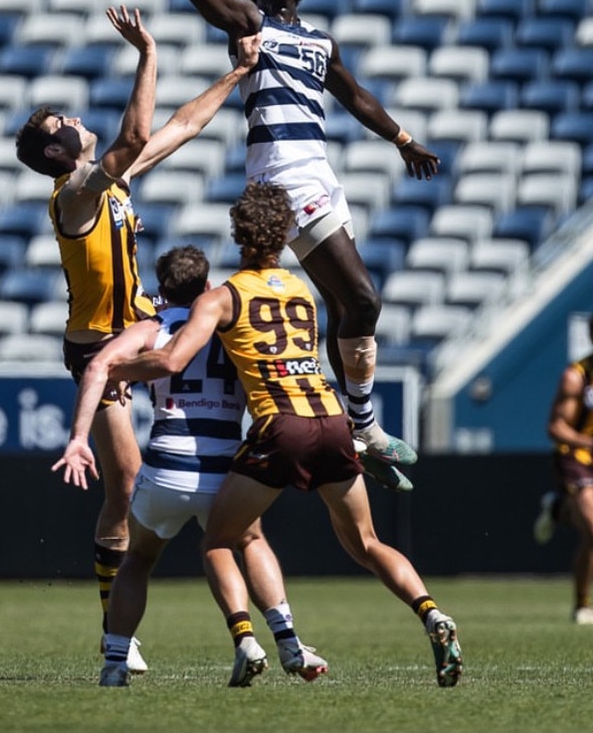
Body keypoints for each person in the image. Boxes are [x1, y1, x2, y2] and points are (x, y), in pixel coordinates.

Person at [120, 0, 441, 489]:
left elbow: (357, 97)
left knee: (346, 306)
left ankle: (358, 428)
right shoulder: (249, 24)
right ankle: (365, 428)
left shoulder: (321, 41)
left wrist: (402, 140)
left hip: (320, 172)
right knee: (365, 300)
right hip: (284, 175)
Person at [107, 182, 463, 688]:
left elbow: (173, 359)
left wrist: (116, 372)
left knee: (219, 539)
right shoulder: (302, 292)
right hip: (333, 419)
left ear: (238, 234)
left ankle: (249, 639)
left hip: (281, 427)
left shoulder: (223, 297)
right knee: (365, 541)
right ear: (284, 236)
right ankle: (431, 613)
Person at [15, 6, 260, 670]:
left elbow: (180, 127)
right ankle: (114, 628)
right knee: (125, 486)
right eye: (60, 123)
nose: (71, 117)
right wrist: (147, 52)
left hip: (145, 328)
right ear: (58, 152)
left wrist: (238, 72)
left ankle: (252, 618)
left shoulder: (109, 183)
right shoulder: (75, 195)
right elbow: (138, 133)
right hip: (100, 346)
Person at [52, 243, 328, 687]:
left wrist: (79, 439)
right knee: (249, 540)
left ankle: (115, 663)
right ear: (207, 285)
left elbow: (97, 367)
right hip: (224, 471)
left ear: (162, 290)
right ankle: (282, 639)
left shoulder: (152, 326)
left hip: (165, 468)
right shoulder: (231, 324)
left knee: (138, 559)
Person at [532, 314, 593, 625]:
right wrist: (588, 441)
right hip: (578, 457)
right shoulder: (576, 377)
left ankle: (559, 511)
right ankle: (582, 605)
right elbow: (555, 427)